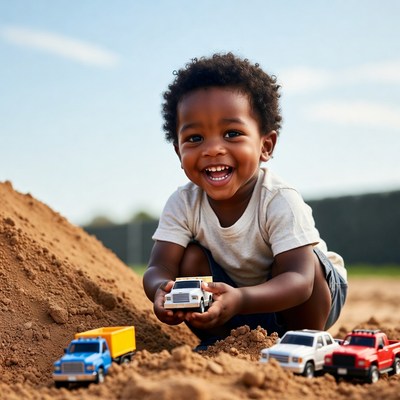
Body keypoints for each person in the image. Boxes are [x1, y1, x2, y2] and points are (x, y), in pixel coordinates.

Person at [143, 52, 347, 349]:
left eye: (232, 133)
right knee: (189, 260)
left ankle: (306, 341)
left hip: (308, 296)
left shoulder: (278, 199)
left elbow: (300, 281)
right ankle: (222, 339)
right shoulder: (183, 202)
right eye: (195, 138)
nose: (213, 149)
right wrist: (161, 289)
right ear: (178, 152)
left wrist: (241, 299)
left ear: (266, 146)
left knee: (307, 265)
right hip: (235, 297)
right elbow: (159, 267)